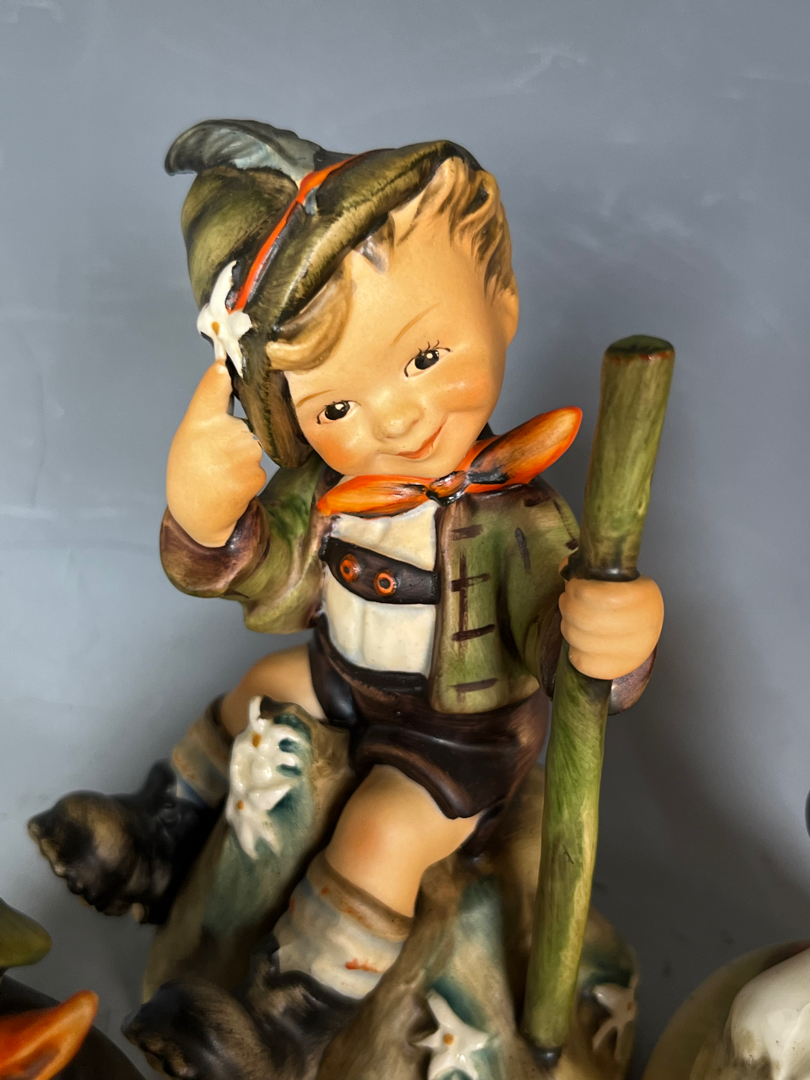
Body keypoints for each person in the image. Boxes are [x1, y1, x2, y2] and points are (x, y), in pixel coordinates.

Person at [32, 120, 664, 1078]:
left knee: (381, 833)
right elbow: (264, 574)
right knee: (260, 687)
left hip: (461, 739)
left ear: (501, 298)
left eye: (425, 358)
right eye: (335, 407)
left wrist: (611, 643)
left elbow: (558, 650)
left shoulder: (519, 517)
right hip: (348, 683)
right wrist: (206, 514)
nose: (397, 418)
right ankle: (159, 837)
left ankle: (287, 1021)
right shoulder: (327, 496)